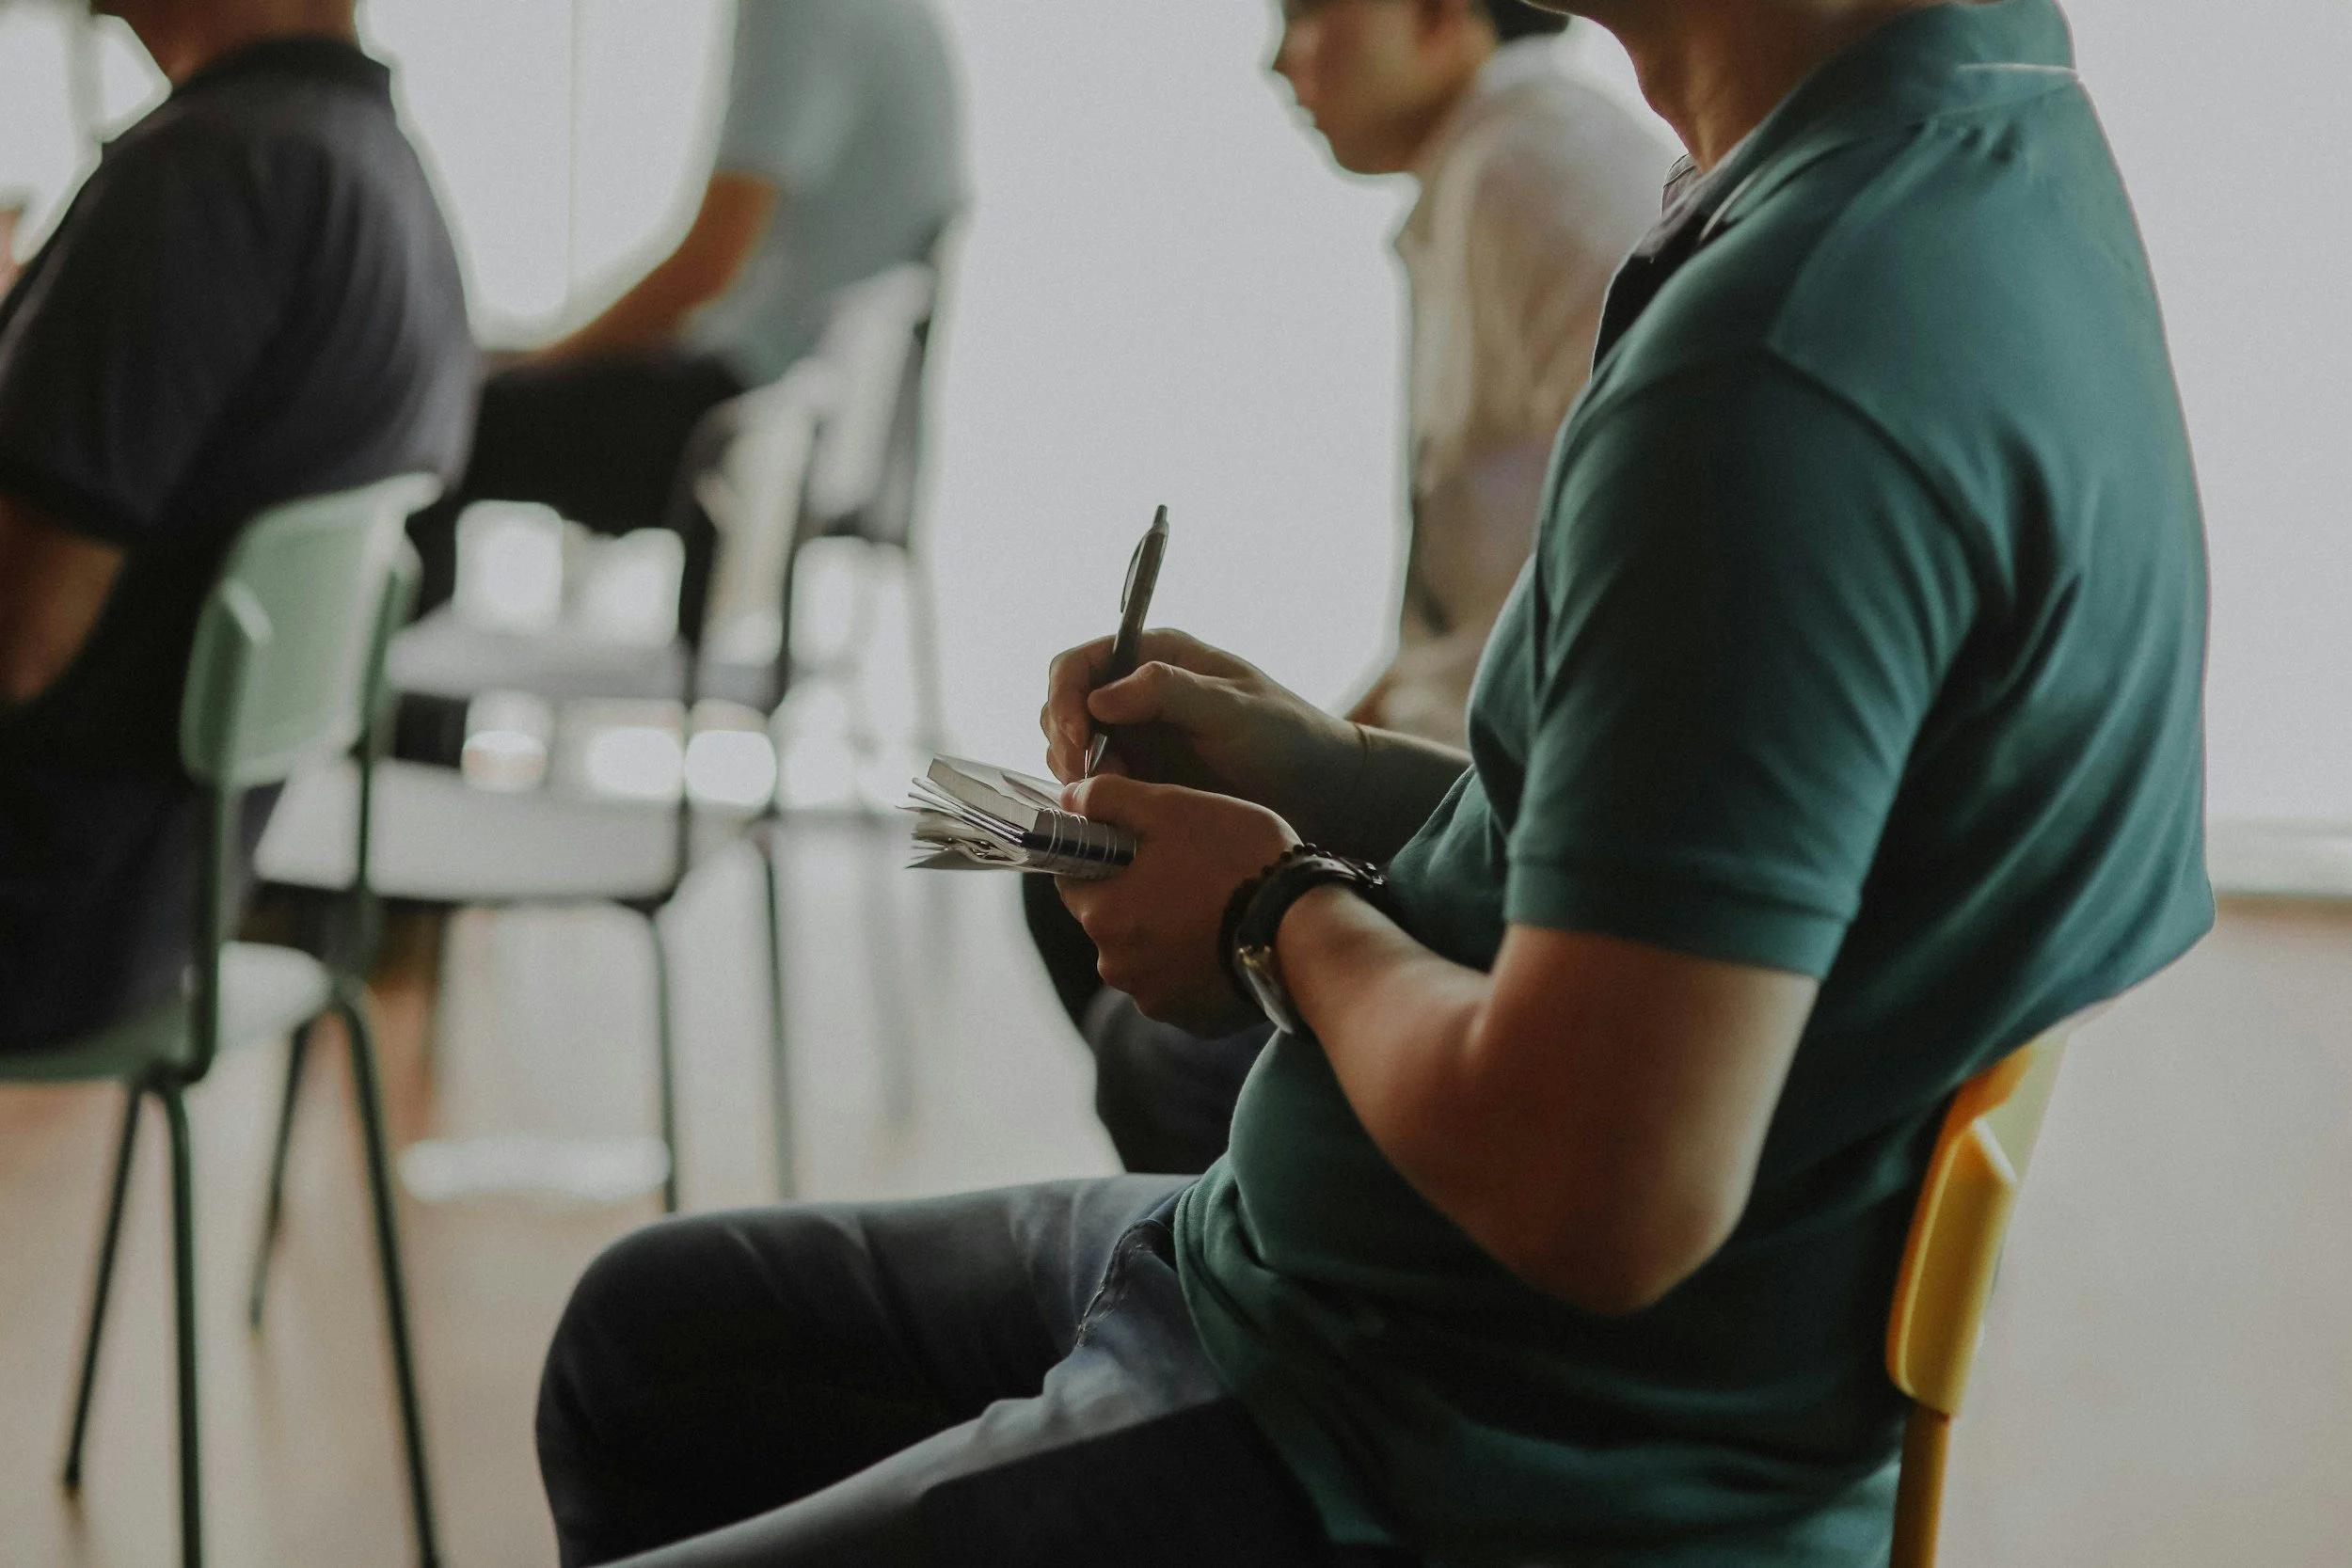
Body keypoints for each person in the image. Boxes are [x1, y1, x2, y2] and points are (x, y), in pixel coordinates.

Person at [534, 1, 2214, 1562]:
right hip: (1358, 1289)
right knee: (653, 1338)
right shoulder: (1984, 147)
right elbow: (1686, 865)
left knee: (676, 1374)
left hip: (1444, 1429)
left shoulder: (1783, 362)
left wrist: (1278, 911)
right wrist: (1323, 770)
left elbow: (1601, 1190)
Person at [1024, 0, 1673, 1174]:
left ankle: (1254, 1273)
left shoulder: (1537, 176)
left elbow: (1623, 611)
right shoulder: (1494, 166)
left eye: (1313, 12)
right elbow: (1477, 604)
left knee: (1145, 1023)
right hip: (1474, 780)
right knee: (1076, 855)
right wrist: (1310, 738)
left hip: (1513, 826)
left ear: (1438, 14)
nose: (1280, 60)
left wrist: (1322, 837)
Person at [0, 0, 473, 1052]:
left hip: (40, 913)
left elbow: (16, 642)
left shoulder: (206, 174)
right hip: (167, 906)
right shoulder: (373, 165)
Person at [402, 0, 965, 626]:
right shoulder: (900, 16)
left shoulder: (801, 11)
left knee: (430, 417)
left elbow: (704, 269)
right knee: (465, 399)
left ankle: (400, 718)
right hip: (791, 428)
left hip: (741, 435)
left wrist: (536, 361)